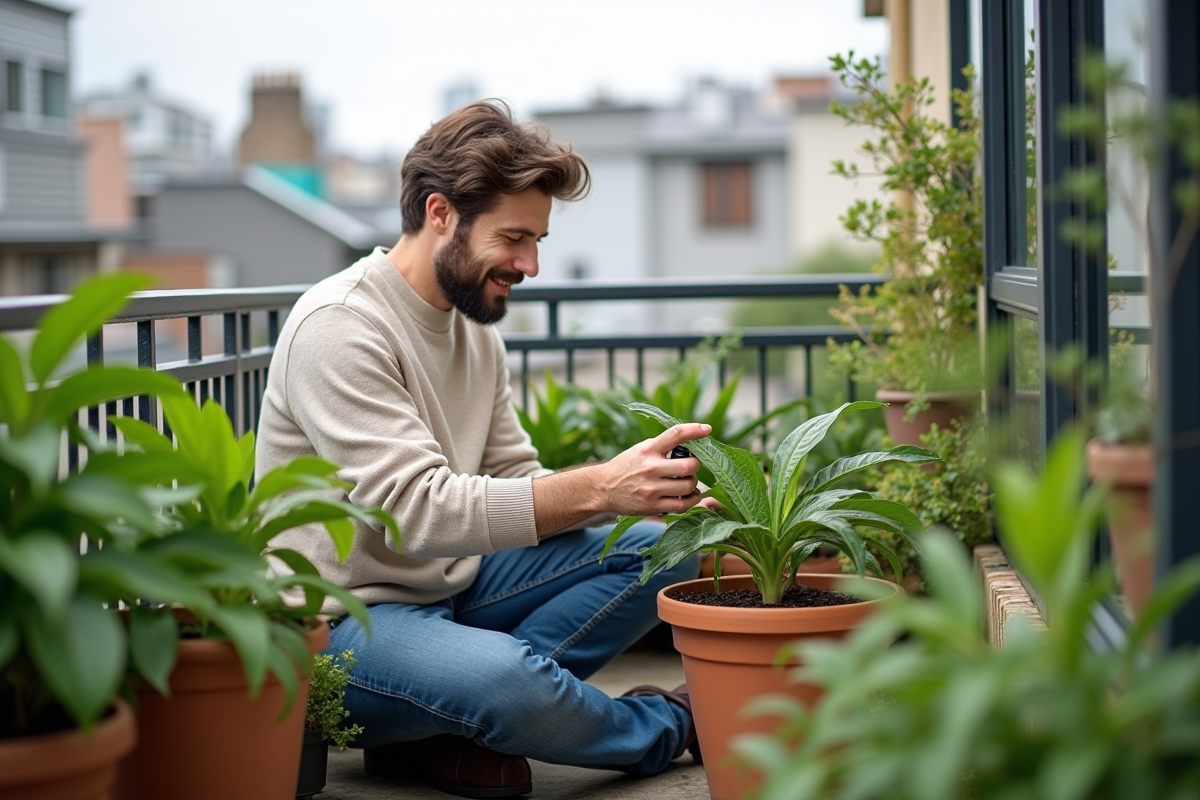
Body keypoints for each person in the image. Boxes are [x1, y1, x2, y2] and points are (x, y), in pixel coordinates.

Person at [256, 100, 711, 799]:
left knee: (662, 548)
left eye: (539, 241)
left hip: (455, 588)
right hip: (341, 628)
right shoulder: (339, 327)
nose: (530, 263)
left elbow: (514, 479)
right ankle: (667, 725)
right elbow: (416, 513)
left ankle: (444, 725)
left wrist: (638, 489)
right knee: (501, 680)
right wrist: (600, 487)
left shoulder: (474, 331)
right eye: (514, 238)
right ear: (440, 213)